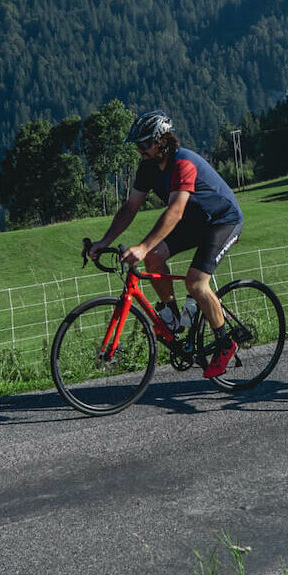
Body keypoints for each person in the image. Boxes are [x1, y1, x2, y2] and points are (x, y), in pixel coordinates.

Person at [83, 110, 246, 379]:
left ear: (161, 141)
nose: (140, 150)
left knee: (195, 282)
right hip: (196, 221)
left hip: (222, 221)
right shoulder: (147, 167)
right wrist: (105, 241)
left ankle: (225, 343)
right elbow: (130, 207)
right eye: (137, 144)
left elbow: (175, 212)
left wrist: (143, 245)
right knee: (154, 258)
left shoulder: (183, 164)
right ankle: (171, 318)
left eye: (145, 143)